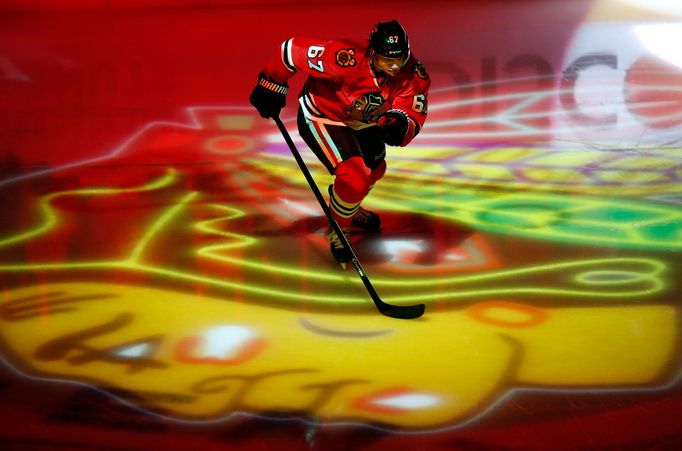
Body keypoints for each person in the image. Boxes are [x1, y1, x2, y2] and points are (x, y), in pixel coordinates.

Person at [249, 20, 430, 265]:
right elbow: (291, 51)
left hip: (363, 122)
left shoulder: (413, 74)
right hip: (323, 114)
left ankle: (345, 205)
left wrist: (400, 125)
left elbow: (412, 112)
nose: (394, 66)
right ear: (372, 52)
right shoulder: (344, 57)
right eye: (386, 59)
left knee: (376, 169)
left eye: (400, 59)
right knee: (354, 178)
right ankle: (339, 229)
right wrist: (271, 83)